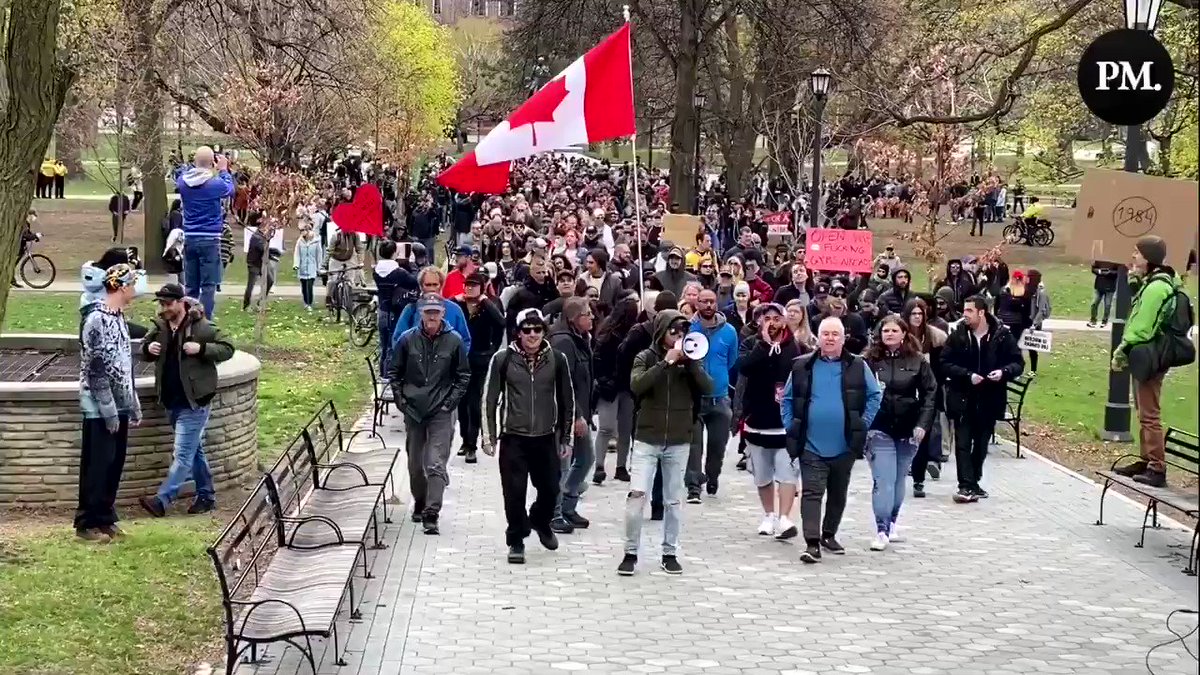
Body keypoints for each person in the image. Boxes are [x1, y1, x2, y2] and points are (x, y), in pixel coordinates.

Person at [619, 310, 715, 576]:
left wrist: (691, 364)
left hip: (678, 440)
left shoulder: (693, 360)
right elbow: (637, 385)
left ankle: (669, 552)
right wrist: (665, 364)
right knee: (637, 496)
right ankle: (630, 552)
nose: (678, 337)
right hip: (647, 439)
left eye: (682, 333)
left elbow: (709, 387)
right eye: (673, 332)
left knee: (673, 500)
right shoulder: (645, 357)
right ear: (661, 332)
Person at [781, 317, 882, 564]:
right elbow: (787, 399)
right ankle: (812, 542)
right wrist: (791, 426)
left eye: (835, 334)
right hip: (810, 444)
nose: (829, 338)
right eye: (825, 334)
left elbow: (874, 395)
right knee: (812, 493)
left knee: (838, 493)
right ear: (818, 337)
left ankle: (829, 534)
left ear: (843, 338)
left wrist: (862, 423)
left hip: (844, 444)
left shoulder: (858, 366)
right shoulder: (802, 366)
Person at [482, 308, 575, 564]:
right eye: (527, 330)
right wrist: (488, 436)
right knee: (514, 492)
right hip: (514, 437)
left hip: (545, 437)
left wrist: (566, 437)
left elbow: (568, 400)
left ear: (544, 332)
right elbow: (489, 399)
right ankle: (516, 539)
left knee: (550, 489)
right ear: (518, 333)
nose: (532, 335)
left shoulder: (557, 359)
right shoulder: (503, 359)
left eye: (537, 329)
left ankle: (539, 521)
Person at [137, 284, 235, 518]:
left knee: (181, 455)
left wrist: (201, 349)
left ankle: (162, 500)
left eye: (168, 304)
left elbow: (228, 347)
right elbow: (142, 349)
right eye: (161, 304)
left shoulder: (201, 326)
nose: (164, 308)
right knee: (194, 451)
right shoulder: (160, 327)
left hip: (195, 402)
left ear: (181, 302)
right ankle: (206, 496)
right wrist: (149, 349)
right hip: (172, 401)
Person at [389, 294, 472, 534]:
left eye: (436, 312)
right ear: (421, 314)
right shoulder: (407, 340)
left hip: (441, 410)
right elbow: (394, 372)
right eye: (428, 312)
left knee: (435, 463)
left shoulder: (454, 341)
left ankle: (432, 512)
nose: (432, 317)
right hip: (414, 410)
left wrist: (450, 403)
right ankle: (420, 500)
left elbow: (463, 376)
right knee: (416, 464)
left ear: (443, 313)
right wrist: (401, 401)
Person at [1111, 236, 1187, 488]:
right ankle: (1146, 460)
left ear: (1149, 258)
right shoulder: (1154, 283)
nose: (1133, 256)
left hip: (1151, 355)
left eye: (1137, 253)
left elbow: (1142, 328)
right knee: (1143, 411)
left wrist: (1121, 350)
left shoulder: (1156, 287)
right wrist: (1134, 280)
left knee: (1149, 414)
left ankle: (1156, 467)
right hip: (1149, 354)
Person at [76, 264, 143, 543]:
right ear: (122, 287)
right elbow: (96, 370)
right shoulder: (96, 319)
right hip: (99, 406)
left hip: (120, 404)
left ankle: (105, 516)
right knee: (98, 463)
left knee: (114, 462)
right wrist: (108, 411)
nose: (136, 289)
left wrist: (132, 403)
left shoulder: (119, 317)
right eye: (133, 284)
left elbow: (124, 365)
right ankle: (86, 522)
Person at [941, 295, 1024, 503]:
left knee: (980, 443)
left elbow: (1017, 363)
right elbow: (945, 362)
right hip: (963, 396)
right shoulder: (959, 335)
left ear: (981, 312)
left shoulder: (1002, 336)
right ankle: (965, 485)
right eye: (964, 311)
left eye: (969, 311)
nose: (964, 315)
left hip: (989, 398)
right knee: (962, 442)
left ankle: (974, 480)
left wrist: (1003, 372)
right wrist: (966, 375)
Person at [864, 315, 937, 550]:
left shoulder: (917, 361)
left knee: (897, 479)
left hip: (908, 429)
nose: (889, 334)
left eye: (894, 330)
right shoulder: (870, 361)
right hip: (879, 427)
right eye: (885, 330)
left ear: (904, 333)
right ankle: (881, 529)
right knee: (883, 479)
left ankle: (893, 521)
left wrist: (923, 424)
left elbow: (930, 395)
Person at [736, 303, 802, 539]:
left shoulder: (795, 346)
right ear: (760, 321)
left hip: (785, 422)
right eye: (767, 318)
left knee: (787, 472)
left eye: (777, 318)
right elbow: (743, 368)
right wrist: (763, 345)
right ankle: (769, 515)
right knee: (762, 474)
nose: (772, 323)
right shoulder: (751, 343)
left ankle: (785, 518)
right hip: (758, 418)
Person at [548, 298, 596, 533]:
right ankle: (554, 513)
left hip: (582, 413)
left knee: (586, 458)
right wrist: (576, 415)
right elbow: (563, 383)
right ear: (574, 318)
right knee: (562, 464)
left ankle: (568, 504)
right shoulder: (563, 342)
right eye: (588, 314)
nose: (592, 318)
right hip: (563, 416)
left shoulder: (580, 339)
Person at [686, 289, 739, 501]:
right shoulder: (689, 329)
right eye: (703, 301)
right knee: (693, 446)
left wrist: (719, 377)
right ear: (696, 303)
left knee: (717, 445)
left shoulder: (729, 332)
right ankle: (693, 485)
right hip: (695, 398)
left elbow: (731, 360)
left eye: (712, 301)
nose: (708, 305)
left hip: (720, 397)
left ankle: (712, 476)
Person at [453, 272, 505, 463]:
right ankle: (465, 439)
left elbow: (501, 323)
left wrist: (493, 348)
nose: (469, 288)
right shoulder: (458, 304)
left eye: (474, 285)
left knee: (475, 403)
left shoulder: (489, 305)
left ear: (482, 288)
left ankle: (472, 445)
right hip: (460, 360)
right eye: (467, 285)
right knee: (461, 403)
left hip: (481, 359)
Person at [177, 148, 235, 319]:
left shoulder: (182, 182)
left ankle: (188, 320)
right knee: (208, 285)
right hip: (210, 239)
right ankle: (205, 321)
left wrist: (203, 166)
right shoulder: (215, 184)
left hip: (190, 238)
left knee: (191, 285)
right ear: (212, 162)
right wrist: (223, 169)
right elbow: (230, 189)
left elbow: (186, 174)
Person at [903, 299, 948, 497]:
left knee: (924, 433)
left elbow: (940, 366)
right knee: (907, 434)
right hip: (904, 392)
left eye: (920, 314)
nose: (917, 317)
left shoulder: (934, 338)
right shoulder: (900, 336)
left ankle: (919, 479)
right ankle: (907, 465)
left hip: (928, 391)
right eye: (913, 314)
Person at [592, 295, 639, 485]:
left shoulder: (634, 335)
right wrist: (604, 380)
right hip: (610, 387)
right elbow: (597, 360)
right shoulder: (608, 336)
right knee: (606, 427)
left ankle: (621, 466)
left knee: (625, 428)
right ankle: (599, 465)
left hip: (627, 387)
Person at [391, 267, 472, 356]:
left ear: (441, 285)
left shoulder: (454, 309)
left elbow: (465, 340)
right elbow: (397, 340)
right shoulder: (411, 309)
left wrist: (456, 362)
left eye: (435, 284)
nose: (432, 289)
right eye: (428, 285)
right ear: (421, 286)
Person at [1025, 268, 1051, 374]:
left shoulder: (1041, 293)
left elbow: (1041, 310)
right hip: (1025, 320)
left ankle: (1033, 369)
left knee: (1032, 347)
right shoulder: (1026, 290)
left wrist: (1034, 324)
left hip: (1034, 323)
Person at [294, 222, 324, 312]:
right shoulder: (300, 241)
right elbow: (297, 253)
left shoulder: (316, 241)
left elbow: (319, 254)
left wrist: (319, 267)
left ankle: (309, 303)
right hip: (303, 267)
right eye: (301, 231)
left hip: (312, 266)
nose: (302, 232)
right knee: (304, 286)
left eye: (303, 230)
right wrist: (296, 264)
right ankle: (305, 302)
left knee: (309, 286)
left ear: (308, 230)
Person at [1089, 260, 1119, 328]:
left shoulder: (1115, 261)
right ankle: (1093, 320)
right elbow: (1093, 269)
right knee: (1094, 303)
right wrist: (1099, 271)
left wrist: (1109, 272)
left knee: (1107, 305)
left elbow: (1118, 272)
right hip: (1099, 285)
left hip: (1110, 286)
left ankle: (1104, 321)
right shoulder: (1100, 259)